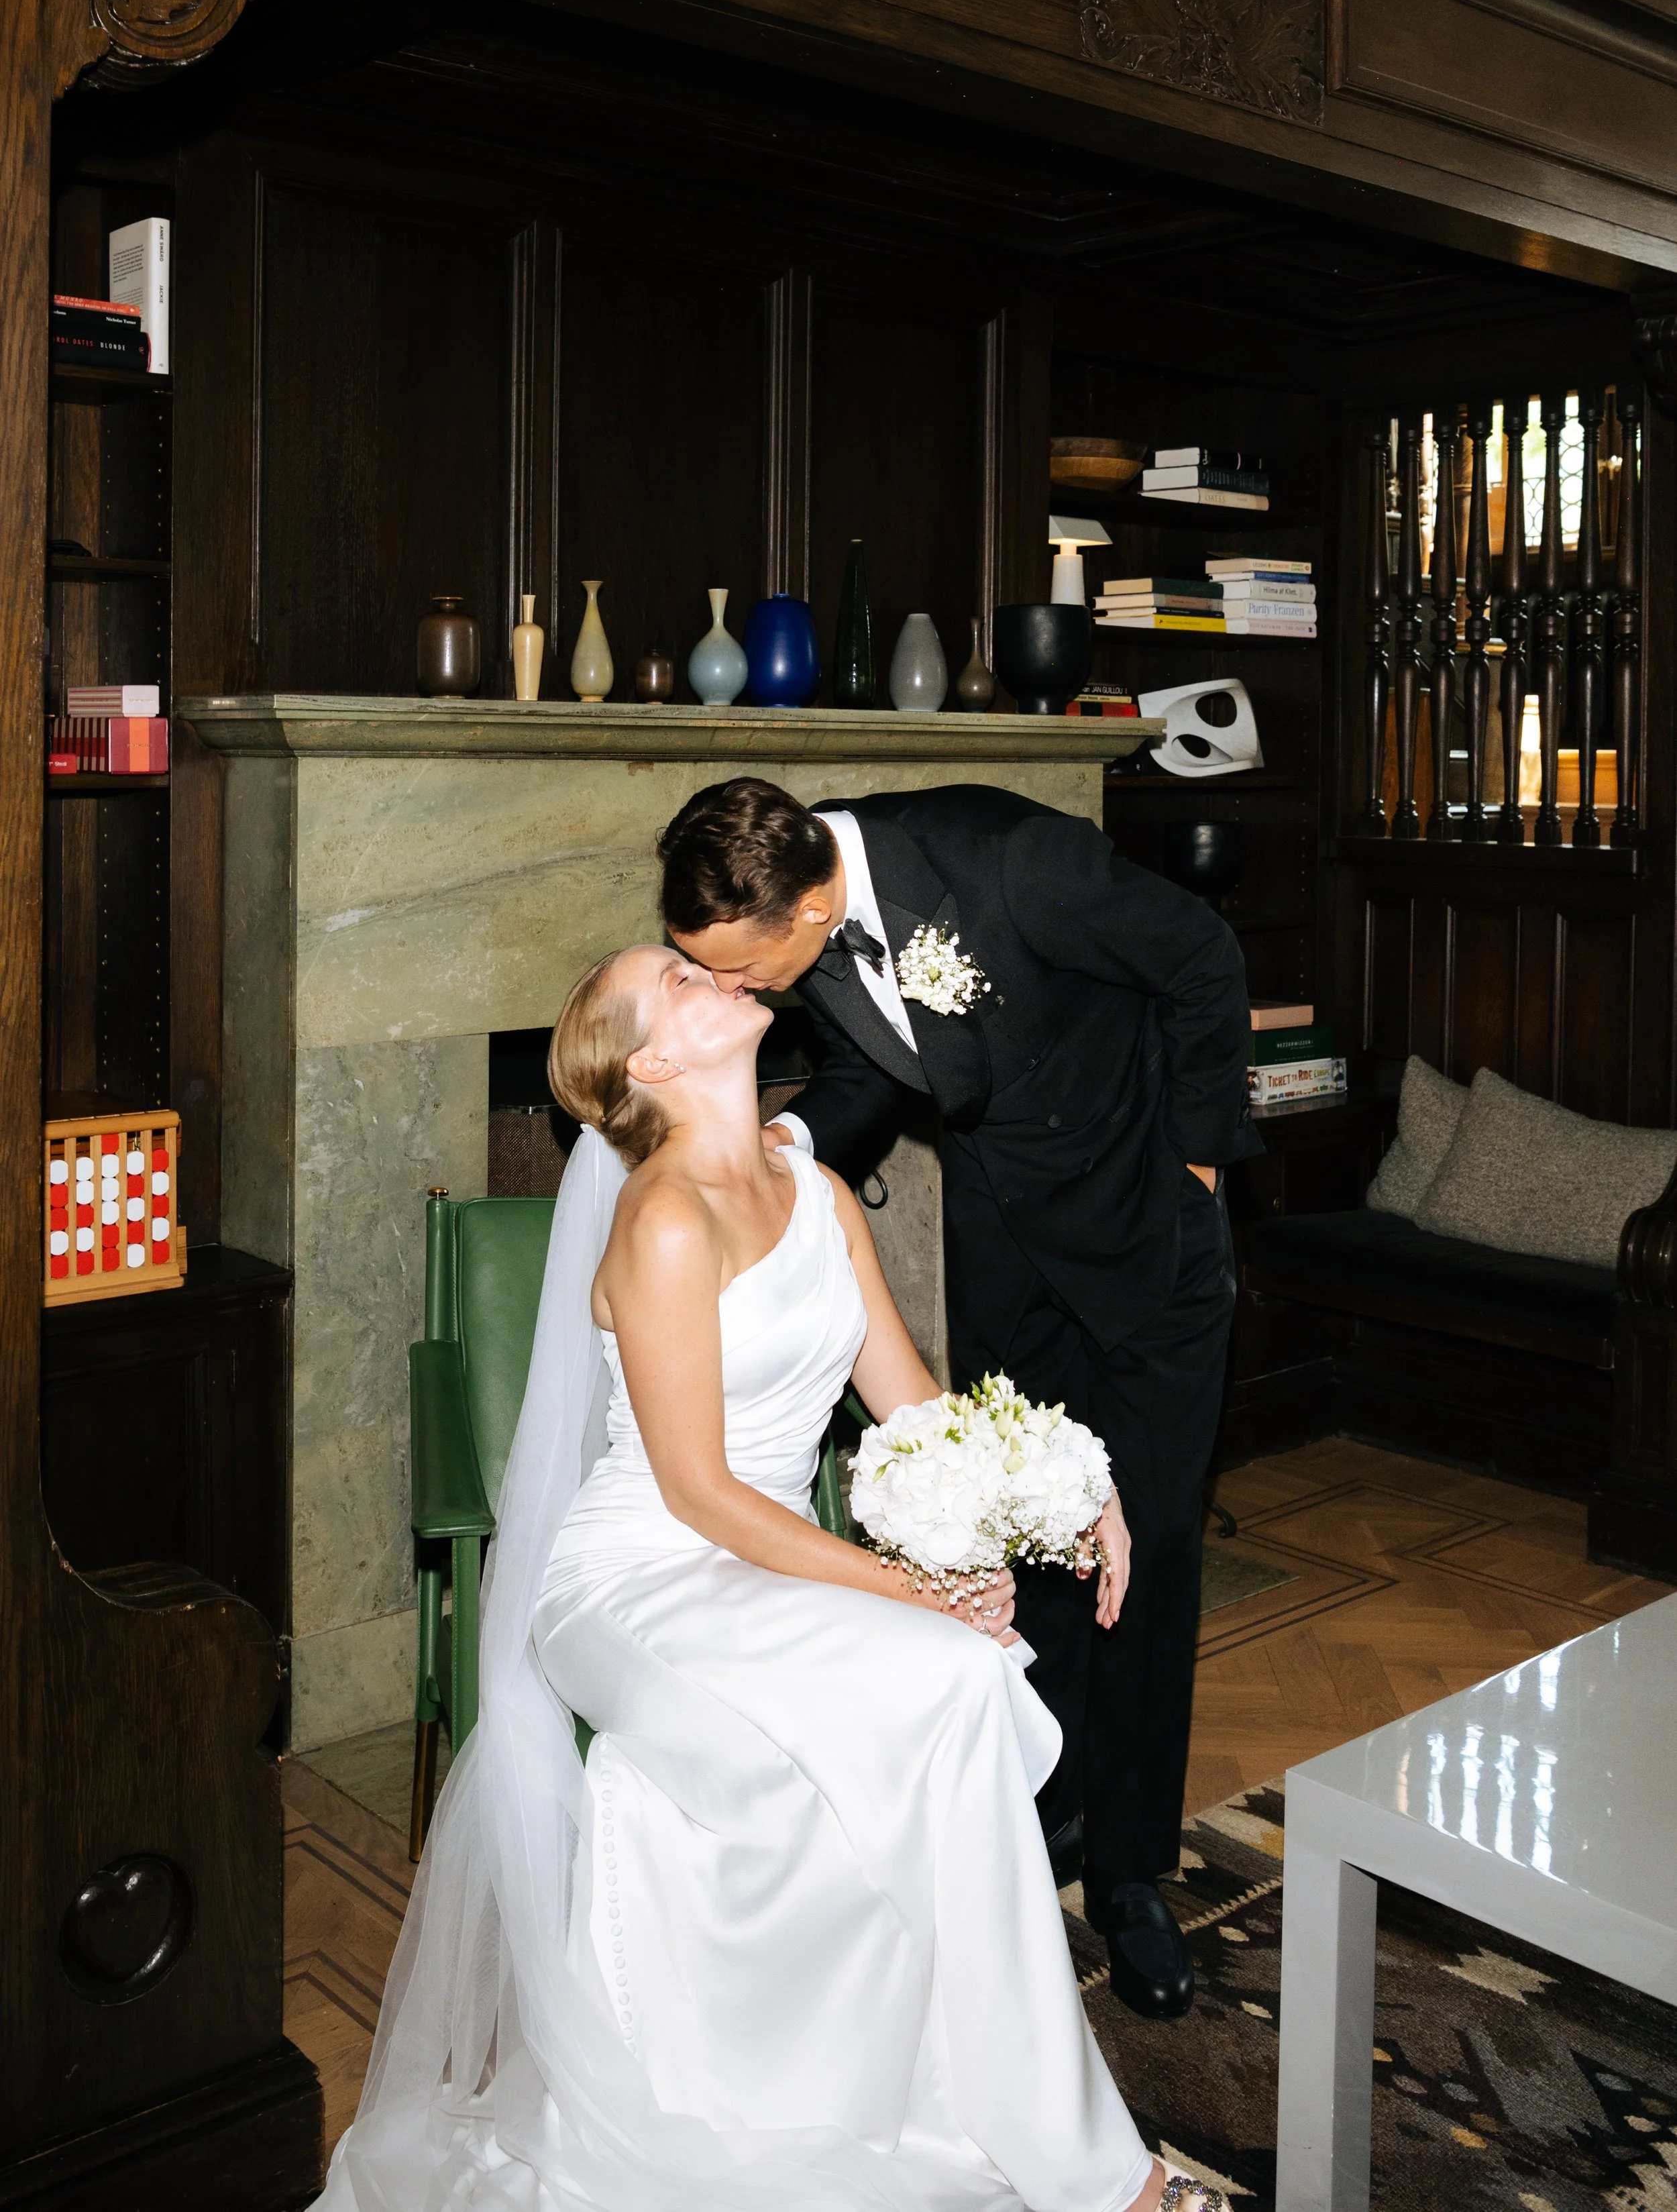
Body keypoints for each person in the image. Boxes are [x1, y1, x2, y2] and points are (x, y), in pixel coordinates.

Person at [318, 942, 1226, 2212]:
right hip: (639, 1580)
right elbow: (699, 1491)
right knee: (948, 1674)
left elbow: (909, 1406)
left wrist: (1069, 1499)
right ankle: (1094, 2170)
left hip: (768, 1562)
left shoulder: (823, 1193)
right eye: (679, 980)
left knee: (962, 1683)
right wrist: (907, 1585)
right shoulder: (665, 1219)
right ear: (654, 1060)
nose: (712, 970)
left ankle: (964, 2103)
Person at [658, 776, 1256, 2022]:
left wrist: (1196, 1160)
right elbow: (884, 1068)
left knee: (1146, 1530)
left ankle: (1136, 1872)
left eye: (745, 972)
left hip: (1146, 1220)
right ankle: (1042, 1804)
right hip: (1009, 1232)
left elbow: (1202, 954)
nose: (738, 994)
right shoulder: (788, 902)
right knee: (1022, 1518)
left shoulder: (1006, 864)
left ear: (816, 905)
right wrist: (795, 1143)